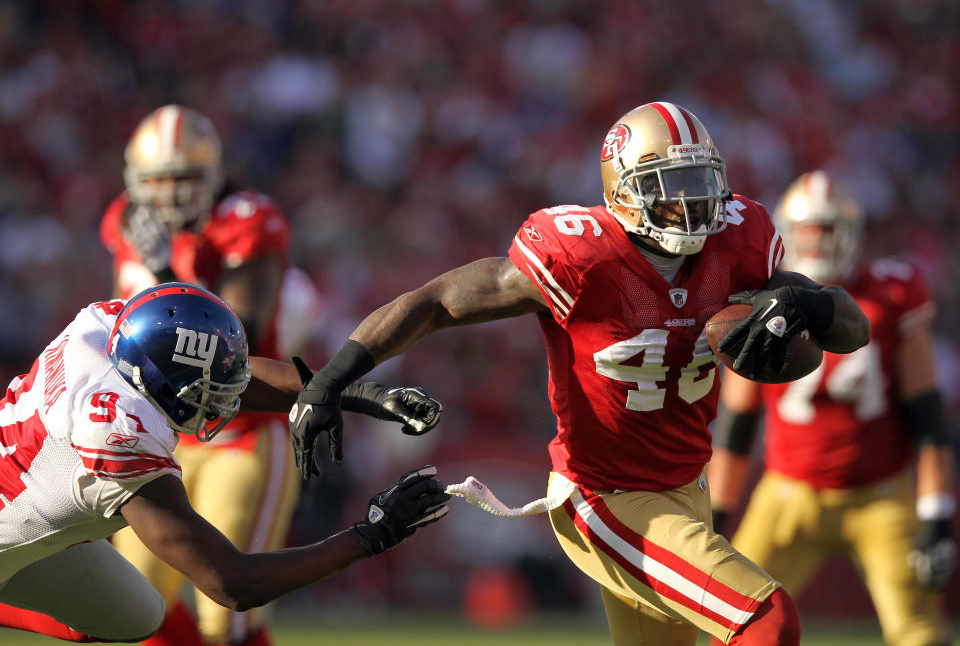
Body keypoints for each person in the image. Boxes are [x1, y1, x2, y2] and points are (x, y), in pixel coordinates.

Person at [287, 102, 872, 645]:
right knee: (768, 619)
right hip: (605, 497)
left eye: (700, 183)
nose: (693, 204)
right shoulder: (581, 255)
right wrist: (331, 377)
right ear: (623, 190)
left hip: (686, 489)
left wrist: (810, 304)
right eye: (669, 188)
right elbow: (438, 302)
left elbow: (851, 328)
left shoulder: (739, 245)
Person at [0, 282, 449, 644]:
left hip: (23, 488)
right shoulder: (117, 436)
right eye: (210, 391)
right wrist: (373, 533)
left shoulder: (110, 330)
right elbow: (231, 583)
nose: (227, 402)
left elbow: (234, 373)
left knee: (134, 615)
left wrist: (353, 392)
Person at [99, 104, 320, 646]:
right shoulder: (124, 223)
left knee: (228, 614)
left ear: (214, 175)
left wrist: (166, 273)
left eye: (185, 178)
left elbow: (234, 333)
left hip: (240, 433)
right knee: (134, 606)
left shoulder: (246, 220)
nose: (171, 194)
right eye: (159, 180)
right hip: (160, 435)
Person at [707, 171, 956, 646]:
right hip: (788, 494)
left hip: (880, 495)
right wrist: (716, 516)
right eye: (807, 231)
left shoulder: (892, 294)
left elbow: (927, 418)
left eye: (827, 230)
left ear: (850, 234)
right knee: (734, 625)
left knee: (919, 634)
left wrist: (937, 513)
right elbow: (737, 428)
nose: (817, 243)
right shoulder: (761, 298)